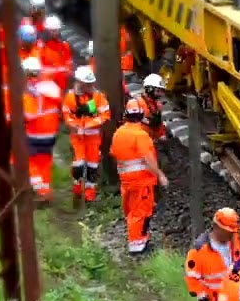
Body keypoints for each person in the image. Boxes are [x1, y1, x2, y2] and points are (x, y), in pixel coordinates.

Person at [110, 100, 169, 254]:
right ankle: (137, 245)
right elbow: (147, 158)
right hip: (142, 180)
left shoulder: (119, 133)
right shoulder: (141, 135)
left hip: (126, 180)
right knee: (141, 212)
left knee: (131, 210)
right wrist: (160, 175)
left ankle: (139, 239)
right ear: (141, 115)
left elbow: (115, 154)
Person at [62, 67, 111, 203]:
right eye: (87, 84)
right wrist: (75, 125)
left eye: (91, 84)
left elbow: (105, 115)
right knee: (78, 164)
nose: (90, 86)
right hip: (77, 137)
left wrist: (89, 124)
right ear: (80, 83)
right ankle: (77, 190)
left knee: (92, 166)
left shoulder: (98, 96)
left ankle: (90, 194)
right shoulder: (70, 97)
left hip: (93, 137)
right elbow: (66, 115)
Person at [16, 56, 62, 202]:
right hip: (50, 134)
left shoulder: (31, 91)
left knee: (29, 162)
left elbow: (30, 115)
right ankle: (47, 191)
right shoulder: (51, 88)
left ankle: (41, 190)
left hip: (35, 133)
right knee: (45, 162)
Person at [38, 15, 73, 91]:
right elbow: (40, 69)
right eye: (53, 31)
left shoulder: (64, 46)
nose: (55, 33)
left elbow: (69, 66)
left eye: (56, 30)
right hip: (47, 87)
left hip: (61, 85)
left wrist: (66, 70)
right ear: (47, 30)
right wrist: (57, 70)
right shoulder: (41, 47)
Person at [131, 74, 167, 142]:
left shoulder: (156, 104)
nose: (160, 94)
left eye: (161, 91)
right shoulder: (136, 103)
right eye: (158, 91)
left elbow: (158, 124)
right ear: (149, 89)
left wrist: (161, 135)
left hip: (150, 141)